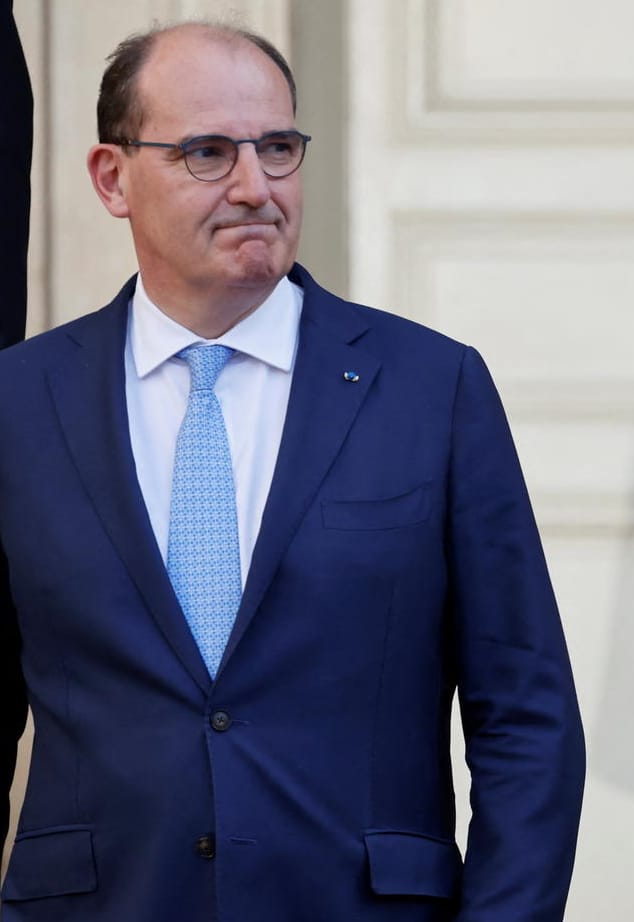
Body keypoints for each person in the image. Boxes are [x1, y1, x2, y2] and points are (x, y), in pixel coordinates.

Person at [0, 21, 584, 921]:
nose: (254, 186)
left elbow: (526, 716)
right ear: (112, 178)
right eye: (206, 152)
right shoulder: (21, 401)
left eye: (277, 148)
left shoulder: (430, 386)